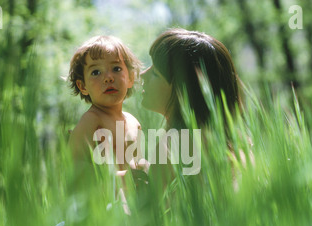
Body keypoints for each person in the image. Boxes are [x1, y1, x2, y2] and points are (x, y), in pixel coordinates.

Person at [139, 28, 251, 189]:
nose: (143, 74)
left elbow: (159, 211)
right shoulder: (238, 145)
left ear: (182, 90)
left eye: (155, 72)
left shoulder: (172, 146)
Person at [67, 35, 143, 214]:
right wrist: (122, 179)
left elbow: (135, 163)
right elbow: (76, 176)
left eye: (116, 69)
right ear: (82, 86)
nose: (108, 77)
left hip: (132, 208)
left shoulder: (134, 123)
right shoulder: (92, 121)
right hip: (99, 212)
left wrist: (144, 168)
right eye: (96, 72)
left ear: (131, 77)